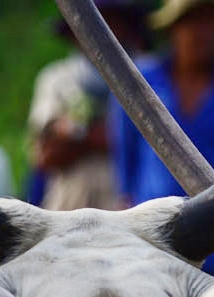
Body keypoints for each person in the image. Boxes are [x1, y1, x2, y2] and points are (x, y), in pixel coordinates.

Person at [109, 0, 214, 277]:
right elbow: (125, 163)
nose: (202, 31)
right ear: (173, 28)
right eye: (193, 20)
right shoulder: (141, 81)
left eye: (211, 21)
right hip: (152, 240)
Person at [27, 0, 149, 211]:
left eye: (110, 20)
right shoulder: (56, 79)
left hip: (131, 214)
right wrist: (103, 135)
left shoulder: (147, 76)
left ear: (126, 25)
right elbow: (45, 155)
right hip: (67, 211)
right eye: (92, 20)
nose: (101, 29)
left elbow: (152, 147)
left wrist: (75, 134)